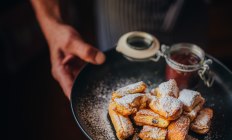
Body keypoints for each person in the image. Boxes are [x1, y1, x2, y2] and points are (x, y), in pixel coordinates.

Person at [30, 0, 207, 99]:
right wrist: (52, 24)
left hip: (190, 8)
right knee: (121, 82)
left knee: (193, 89)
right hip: (128, 7)